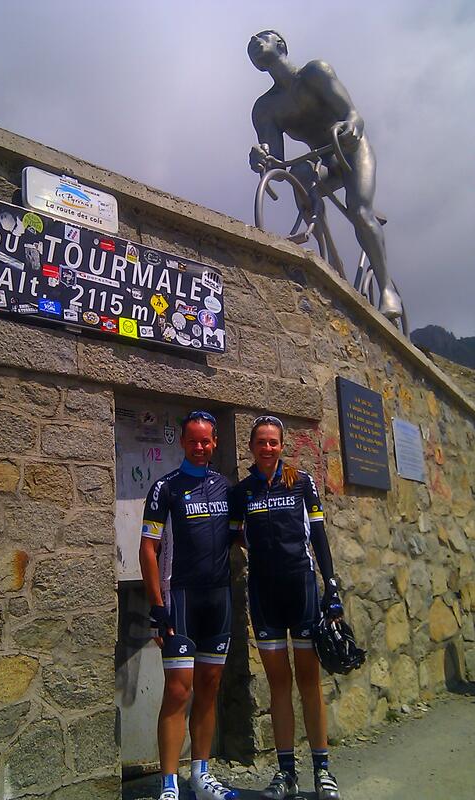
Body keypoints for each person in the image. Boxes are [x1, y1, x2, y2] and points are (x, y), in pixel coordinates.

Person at [248, 29, 402, 321]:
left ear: (280, 44)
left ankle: (386, 290)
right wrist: (261, 158)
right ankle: (328, 260)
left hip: (351, 148)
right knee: (300, 173)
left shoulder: (315, 73)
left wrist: (351, 127)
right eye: (250, 44)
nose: (254, 43)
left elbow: (353, 115)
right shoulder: (265, 108)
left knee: (359, 211)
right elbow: (277, 167)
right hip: (323, 159)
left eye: (262, 38)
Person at [229, 415, 343, 800]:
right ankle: (286, 773)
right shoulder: (242, 492)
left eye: (273, 442)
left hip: (302, 591)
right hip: (265, 596)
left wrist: (331, 586)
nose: (267, 448)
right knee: (279, 684)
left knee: (309, 681)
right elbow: (234, 536)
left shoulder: (302, 482)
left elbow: (319, 537)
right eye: (261, 442)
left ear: (282, 445)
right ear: (251, 447)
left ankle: (322, 770)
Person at [139, 411, 237, 800]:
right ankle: (169, 783)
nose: (199, 446)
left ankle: (201, 775)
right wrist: (157, 606)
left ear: (215, 443)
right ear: (181, 441)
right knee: (179, 691)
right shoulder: (165, 488)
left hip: (218, 600)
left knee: (209, 688)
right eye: (192, 440)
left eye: (205, 440)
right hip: (179, 599)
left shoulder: (225, 487)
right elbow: (148, 549)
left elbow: (241, 534)